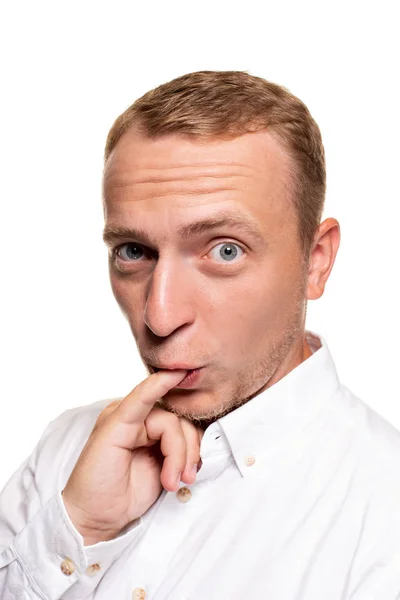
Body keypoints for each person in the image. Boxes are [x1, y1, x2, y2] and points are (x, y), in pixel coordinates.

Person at [1, 70, 399, 600]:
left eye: (225, 250)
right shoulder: (67, 452)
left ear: (316, 261)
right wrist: (74, 533)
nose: (160, 317)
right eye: (134, 251)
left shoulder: (384, 515)